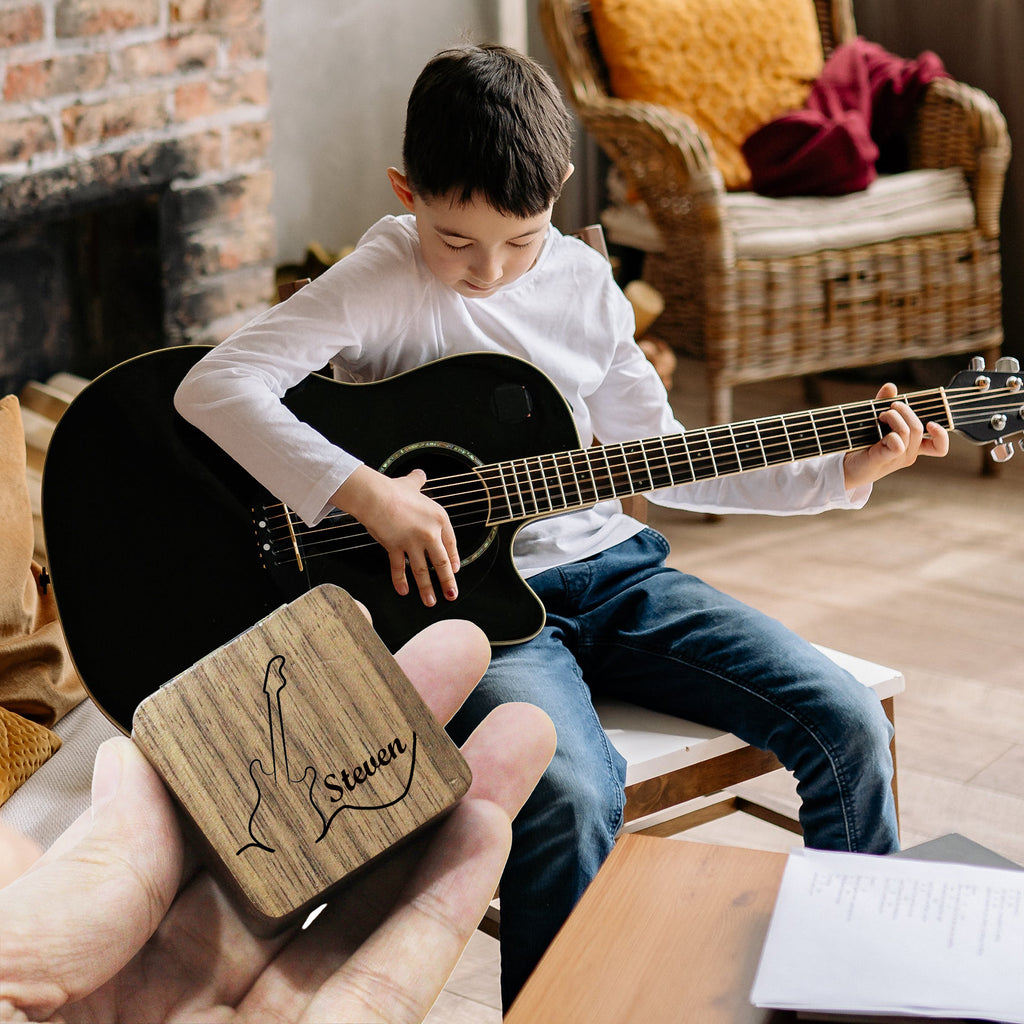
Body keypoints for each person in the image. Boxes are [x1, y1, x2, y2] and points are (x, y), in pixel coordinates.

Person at [173, 44, 950, 1006]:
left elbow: (671, 461)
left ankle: (865, 988)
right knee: (578, 795)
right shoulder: (379, 276)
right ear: (404, 190)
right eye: (456, 240)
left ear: (562, 189)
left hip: (617, 573)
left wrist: (842, 471)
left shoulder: (584, 281)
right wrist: (365, 492)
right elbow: (216, 385)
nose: (488, 271)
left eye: (521, 238)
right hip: (480, 610)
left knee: (845, 724)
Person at [0, 619, 556, 1023]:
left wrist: (275, 696)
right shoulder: (284, 798)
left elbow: (286, 754)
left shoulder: (307, 792)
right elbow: (280, 754)